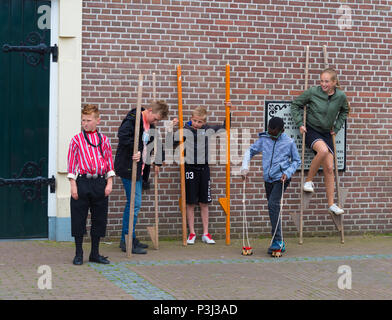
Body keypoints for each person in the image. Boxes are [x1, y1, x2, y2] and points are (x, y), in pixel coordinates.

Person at [291, 68, 349, 215]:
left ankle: (331, 204)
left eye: (327, 81)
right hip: (312, 130)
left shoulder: (341, 96)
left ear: (334, 82)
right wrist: (300, 124)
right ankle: (308, 181)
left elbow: (345, 111)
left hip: (327, 133)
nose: (323, 84)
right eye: (322, 80)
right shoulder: (313, 92)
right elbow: (295, 105)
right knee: (322, 151)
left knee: (329, 168)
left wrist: (337, 127)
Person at [115, 100, 170, 254]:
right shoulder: (133, 119)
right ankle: (127, 240)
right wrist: (137, 148)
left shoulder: (149, 125)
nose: (156, 122)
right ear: (150, 110)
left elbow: (156, 142)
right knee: (134, 203)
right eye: (156, 118)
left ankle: (129, 237)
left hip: (140, 169)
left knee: (135, 204)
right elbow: (123, 136)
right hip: (128, 168)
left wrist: (158, 161)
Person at [241, 117, 301, 256]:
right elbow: (250, 151)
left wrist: (287, 172)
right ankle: (279, 240)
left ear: (281, 131)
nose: (271, 135)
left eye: (274, 133)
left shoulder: (289, 142)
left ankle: (278, 241)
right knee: (273, 208)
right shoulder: (264, 139)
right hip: (268, 179)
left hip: (282, 178)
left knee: (273, 205)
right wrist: (245, 168)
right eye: (269, 131)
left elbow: (296, 161)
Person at [170, 106, 227, 245]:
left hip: (204, 169)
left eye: (199, 122)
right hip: (189, 169)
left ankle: (206, 233)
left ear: (204, 122)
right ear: (191, 119)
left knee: (204, 202)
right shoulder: (185, 130)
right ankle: (192, 233)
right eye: (194, 120)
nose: (196, 124)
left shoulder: (208, 130)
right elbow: (171, 142)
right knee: (190, 202)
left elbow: (225, 127)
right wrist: (172, 128)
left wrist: (228, 111)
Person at [67, 104, 115, 265]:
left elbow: (109, 163)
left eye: (88, 120)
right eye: (83, 120)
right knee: (79, 217)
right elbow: (71, 164)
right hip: (82, 182)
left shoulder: (104, 140)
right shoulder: (76, 140)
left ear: (97, 121)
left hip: (99, 182)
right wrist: (73, 185)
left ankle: (95, 253)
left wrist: (109, 183)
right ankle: (78, 253)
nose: (85, 123)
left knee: (99, 218)